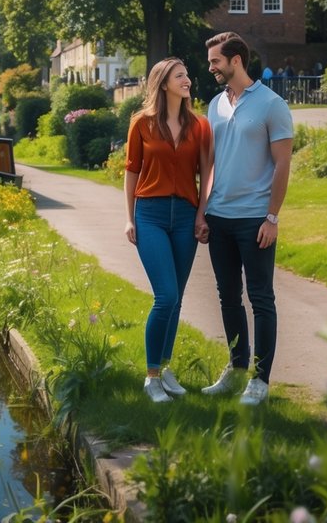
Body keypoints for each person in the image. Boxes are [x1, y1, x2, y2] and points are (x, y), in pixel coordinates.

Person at [201, 31, 293, 407]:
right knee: (227, 297)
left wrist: (272, 217)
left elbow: (283, 163)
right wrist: (202, 210)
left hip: (255, 218)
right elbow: (209, 162)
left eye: (215, 62)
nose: (211, 68)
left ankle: (260, 380)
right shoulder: (214, 104)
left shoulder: (272, 104)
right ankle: (237, 368)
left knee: (261, 298)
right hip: (218, 217)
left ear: (235, 60)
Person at [124, 57, 214, 403]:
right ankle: (151, 377)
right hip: (150, 214)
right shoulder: (142, 124)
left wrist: (201, 215)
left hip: (186, 216)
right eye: (180, 75)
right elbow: (131, 172)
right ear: (164, 83)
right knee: (166, 296)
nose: (188, 79)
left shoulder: (199, 126)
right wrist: (129, 218)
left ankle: (165, 366)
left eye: (188, 74)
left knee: (176, 299)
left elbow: (206, 175)